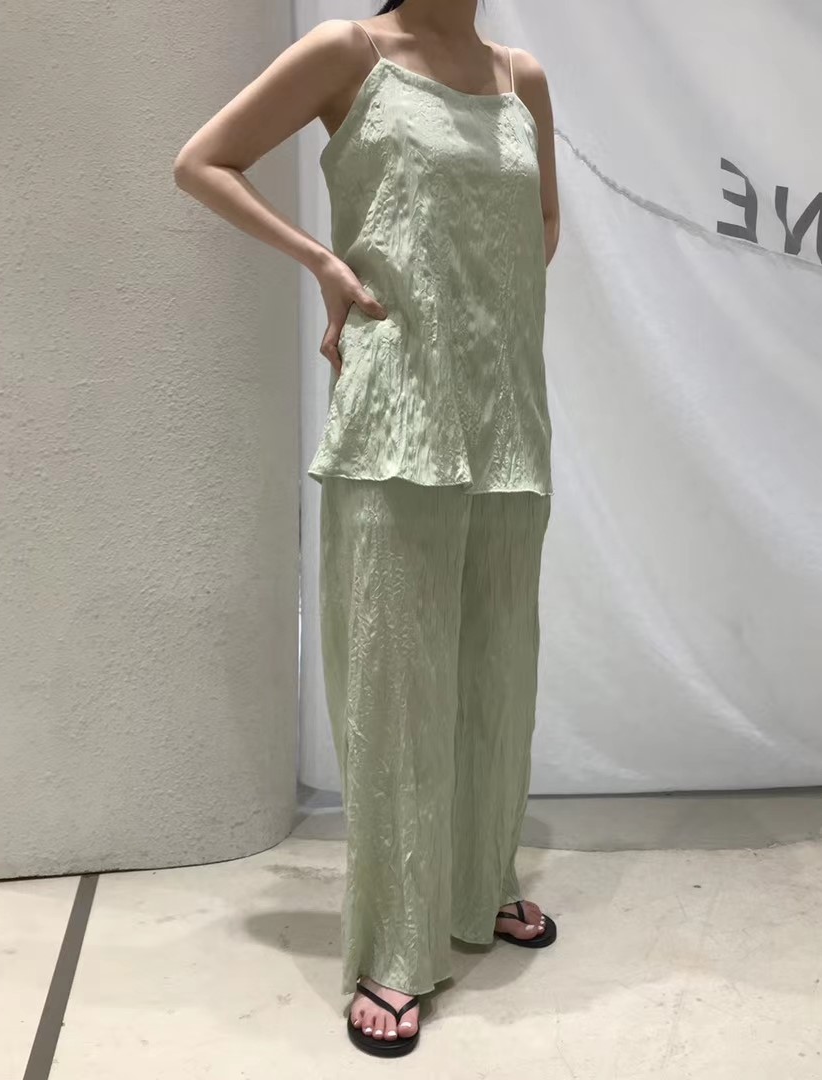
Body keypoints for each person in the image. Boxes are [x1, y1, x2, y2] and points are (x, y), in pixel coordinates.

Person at [173, 0, 559, 1057]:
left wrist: (483, 311)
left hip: (507, 415)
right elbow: (204, 162)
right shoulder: (352, 53)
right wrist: (327, 263)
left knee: (497, 669)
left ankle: (478, 884)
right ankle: (393, 943)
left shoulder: (522, 78)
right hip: (397, 414)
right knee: (396, 682)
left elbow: (542, 226)